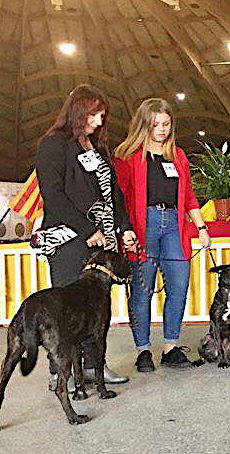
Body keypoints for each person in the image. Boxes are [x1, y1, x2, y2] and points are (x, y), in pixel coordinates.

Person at [35, 84, 136, 387]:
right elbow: (53, 195)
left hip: (102, 241)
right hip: (68, 240)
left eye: (102, 115)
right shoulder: (53, 144)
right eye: (94, 114)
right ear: (78, 111)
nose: (99, 121)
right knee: (68, 310)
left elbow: (114, 194)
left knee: (96, 309)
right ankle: (61, 371)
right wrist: (87, 230)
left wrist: (124, 227)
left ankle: (94, 366)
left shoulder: (97, 147)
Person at [113, 98, 211, 371]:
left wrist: (202, 228)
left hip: (175, 225)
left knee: (178, 287)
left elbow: (189, 196)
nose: (162, 129)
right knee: (142, 291)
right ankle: (143, 350)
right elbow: (118, 198)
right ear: (143, 125)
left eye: (166, 124)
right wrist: (125, 230)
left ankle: (170, 347)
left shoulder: (178, 156)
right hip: (143, 225)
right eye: (156, 124)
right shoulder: (127, 156)